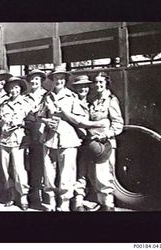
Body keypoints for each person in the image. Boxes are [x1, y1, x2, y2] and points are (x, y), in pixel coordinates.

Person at [60, 75, 111, 211]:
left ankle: (105, 205)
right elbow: (76, 121)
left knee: (98, 174)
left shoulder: (91, 103)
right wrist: (99, 123)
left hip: (93, 143)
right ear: (75, 88)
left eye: (86, 86)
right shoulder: (70, 101)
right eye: (80, 86)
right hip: (76, 143)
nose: (83, 89)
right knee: (79, 172)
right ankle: (78, 202)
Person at [38, 66, 86, 211]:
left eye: (61, 78)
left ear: (65, 81)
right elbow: (39, 116)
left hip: (68, 138)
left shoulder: (72, 97)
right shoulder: (47, 97)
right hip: (49, 138)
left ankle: (64, 203)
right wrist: (46, 122)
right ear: (52, 80)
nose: (58, 81)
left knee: (67, 173)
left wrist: (66, 117)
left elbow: (81, 118)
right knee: (48, 171)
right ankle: (50, 202)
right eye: (56, 78)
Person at [86, 72, 124, 211]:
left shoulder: (111, 100)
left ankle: (108, 204)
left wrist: (106, 135)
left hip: (105, 144)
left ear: (106, 83)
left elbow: (118, 124)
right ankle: (101, 203)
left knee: (103, 175)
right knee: (94, 175)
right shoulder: (94, 100)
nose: (98, 85)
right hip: (94, 145)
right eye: (96, 82)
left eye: (101, 82)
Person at [0, 77, 31, 211]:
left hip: (18, 139)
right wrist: (2, 124)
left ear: (20, 89)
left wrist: (21, 123)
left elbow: (31, 119)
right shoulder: (4, 103)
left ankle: (23, 196)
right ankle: (11, 194)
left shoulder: (25, 103)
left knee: (19, 169)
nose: (14, 90)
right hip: (4, 139)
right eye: (11, 88)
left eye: (16, 87)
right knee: (5, 168)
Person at [23, 69, 47, 206]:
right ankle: (32, 194)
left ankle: (42, 194)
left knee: (41, 164)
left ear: (41, 81)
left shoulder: (46, 95)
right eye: (32, 79)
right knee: (29, 164)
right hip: (27, 134)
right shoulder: (25, 96)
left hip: (41, 133)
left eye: (36, 79)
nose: (34, 82)